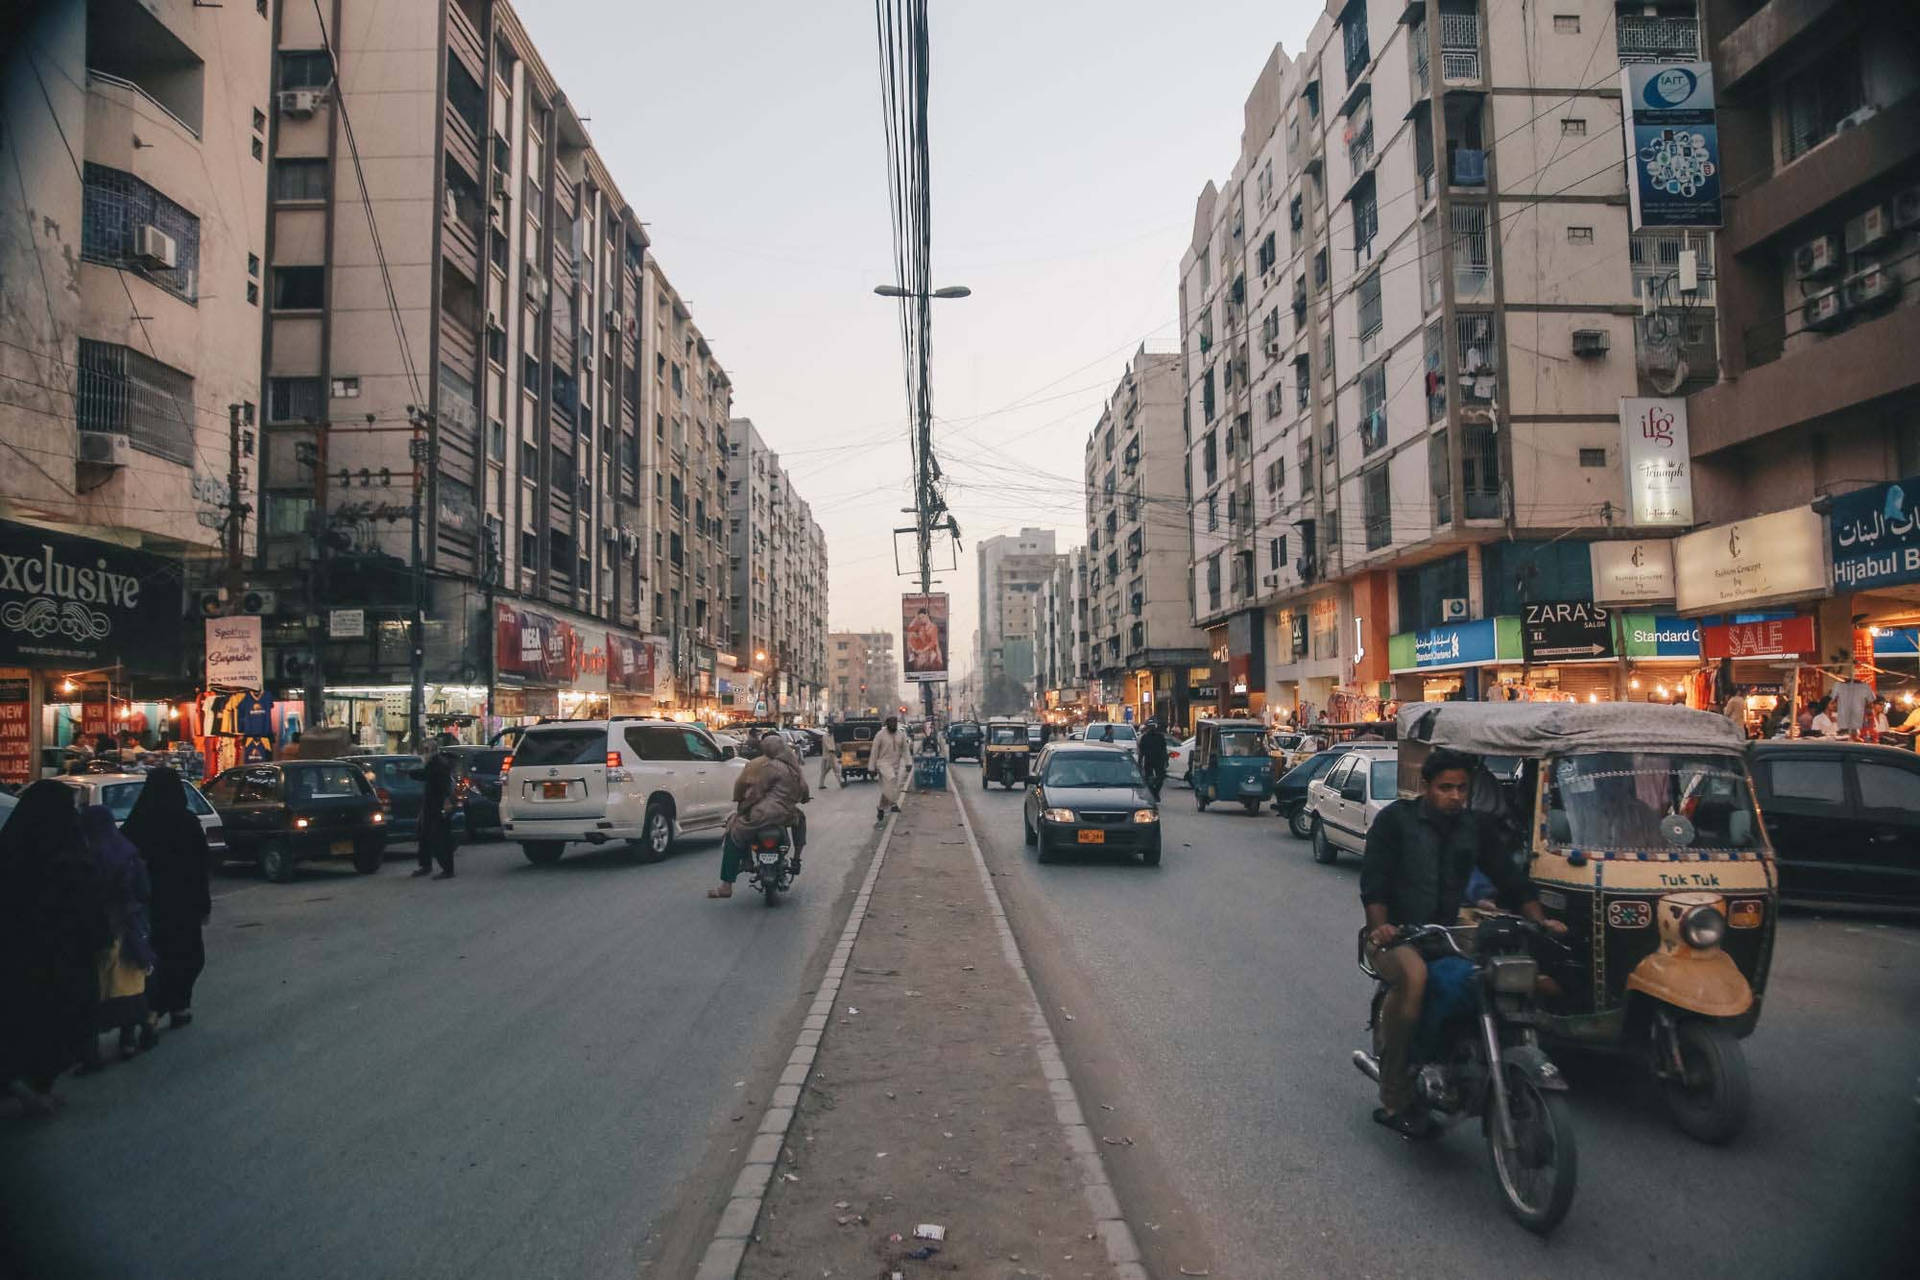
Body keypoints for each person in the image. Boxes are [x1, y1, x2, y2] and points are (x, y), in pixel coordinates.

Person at [1359, 748, 1565, 1136]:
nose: (1454, 796)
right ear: (1427, 787)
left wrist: (1541, 920)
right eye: (1445, 788)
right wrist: (1381, 929)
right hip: (1396, 937)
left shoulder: (1475, 827)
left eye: (1461, 789)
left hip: (1445, 937)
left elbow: (1510, 877)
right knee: (1416, 977)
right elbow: (1374, 884)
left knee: (1487, 976)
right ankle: (1395, 1094)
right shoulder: (1396, 822)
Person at [0, 783, 108, 1115]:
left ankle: (21, 1085)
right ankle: (32, 1086)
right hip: (61, 962)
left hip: (20, 960)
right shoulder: (70, 857)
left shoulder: (12, 850)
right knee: (57, 1022)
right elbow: (87, 909)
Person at [125, 768, 213, 1028]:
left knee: (157, 958)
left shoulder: (137, 823)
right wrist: (203, 903)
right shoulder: (187, 823)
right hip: (182, 903)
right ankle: (174, 1005)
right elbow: (200, 866)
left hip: (149, 904)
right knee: (187, 956)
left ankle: (165, 1006)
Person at [78, 804, 157, 1066]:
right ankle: (129, 1040)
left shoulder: (86, 857)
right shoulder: (127, 852)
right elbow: (143, 890)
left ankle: (91, 1053)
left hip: (98, 931)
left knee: (97, 989)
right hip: (129, 928)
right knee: (131, 985)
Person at [708, 733, 810, 899]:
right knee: (801, 819)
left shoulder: (767, 765)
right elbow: (804, 790)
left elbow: (754, 792)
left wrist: (742, 809)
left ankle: (727, 885)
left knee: (734, 831)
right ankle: (796, 859)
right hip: (787, 814)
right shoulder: (794, 766)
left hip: (765, 813)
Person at [413, 735, 460, 880]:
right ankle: (425, 865)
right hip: (431, 805)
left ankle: (447, 869)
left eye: (426, 749)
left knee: (440, 837)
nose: (424, 752)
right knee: (425, 836)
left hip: (438, 806)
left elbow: (440, 783)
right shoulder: (433, 763)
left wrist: (446, 802)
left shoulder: (438, 764)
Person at [869, 715, 909, 827]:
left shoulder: (900, 735)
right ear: (887, 724)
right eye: (891, 722)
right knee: (891, 781)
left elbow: (905, 750)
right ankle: (893, 803)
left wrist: (908, 763)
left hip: (895, 765)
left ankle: (881, 808)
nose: (893, 724)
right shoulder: (880, 735)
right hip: (883, 764)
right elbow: (874, 751)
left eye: (895, 722)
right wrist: (871, 767)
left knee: (888, 788)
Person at [1138, 719, 1169, 799]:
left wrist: (1166, 760)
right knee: (1148, 778)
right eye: (1150, 727)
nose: (1152, 728)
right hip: (1149, 760)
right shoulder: (1144, 737)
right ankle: (1153, 792)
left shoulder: (1160, 737)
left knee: (1160, 778)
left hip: (1159, 760)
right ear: (1148, 727)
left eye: (1153, 726)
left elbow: (1164, 749)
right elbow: (1141, 751)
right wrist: (1140, 762)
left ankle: (1155, 792)